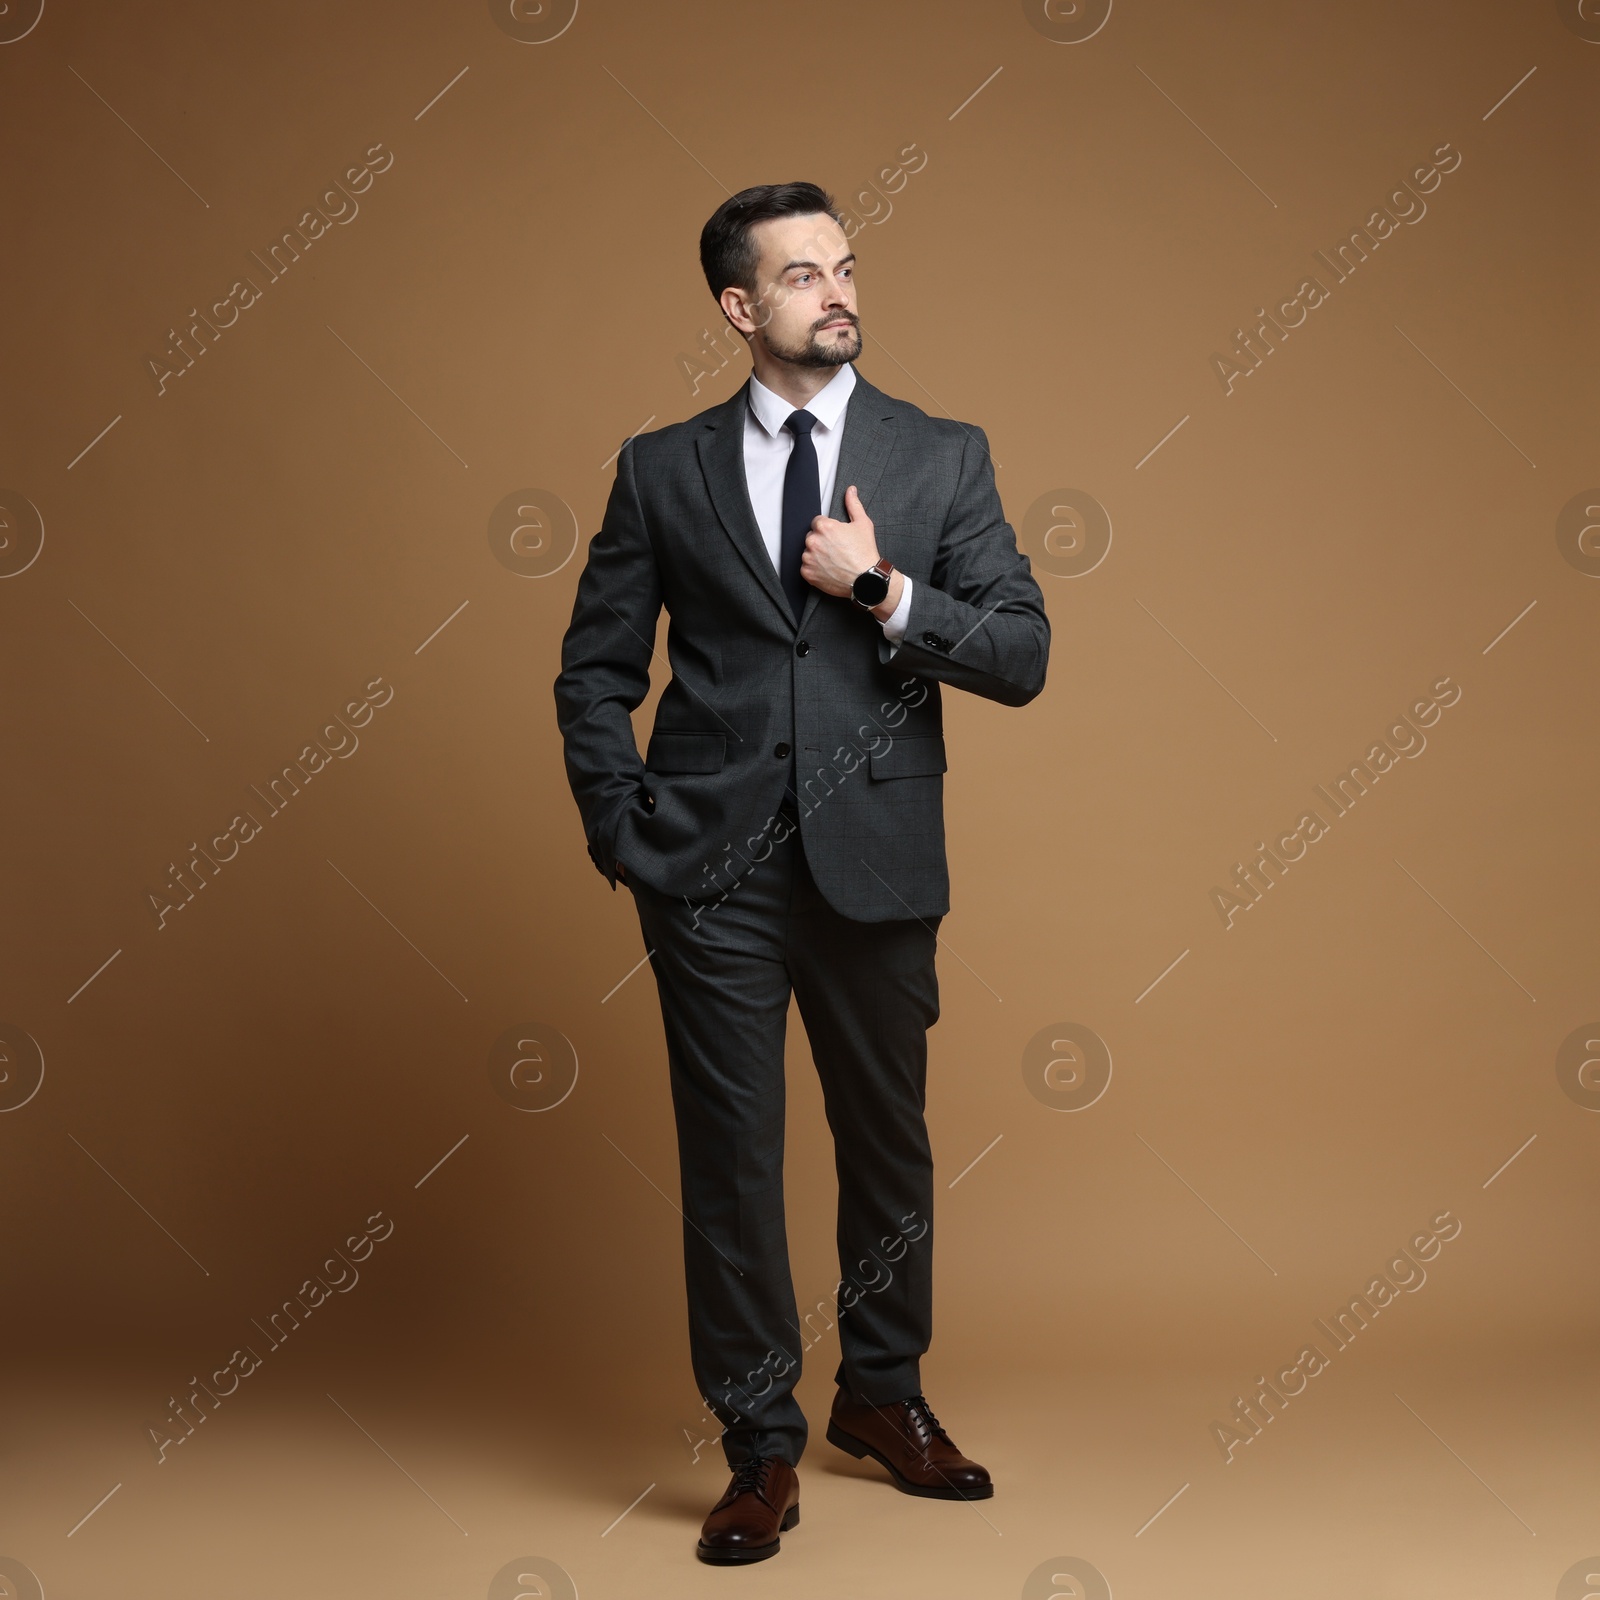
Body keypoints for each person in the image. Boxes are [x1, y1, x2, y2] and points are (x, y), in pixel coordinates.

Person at [553, 180, 1049, 1564]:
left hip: (877, 857)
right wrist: (624, 830)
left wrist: (883, 592)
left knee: (888, 1145)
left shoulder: (941, 456)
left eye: (845, 266)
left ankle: (882, 1398)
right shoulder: (662, 469)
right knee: (732, 1160)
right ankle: (759, 1442)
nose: (837, 291)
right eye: (801, 275)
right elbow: (595, 673)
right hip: (706, 869)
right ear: (738, 307)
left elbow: (1022, 652)